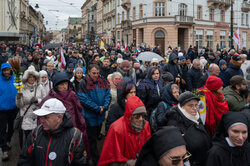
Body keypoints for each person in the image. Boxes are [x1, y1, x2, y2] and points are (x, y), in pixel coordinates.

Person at [18, 98, 87, 166]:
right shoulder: (36, 133)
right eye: (42, 117)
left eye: (46, 117)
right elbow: (24, 159)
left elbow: (80, 163)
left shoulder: (75, 136)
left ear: (59, 117)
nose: (42, 121)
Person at [40, 71, 89, 157]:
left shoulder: (72, 95)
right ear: (56, 85)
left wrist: (81, 126)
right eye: (61, 84)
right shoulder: (48, 99)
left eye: (66, 83)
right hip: (54, 131)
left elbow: (78, 112)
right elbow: (42, 119)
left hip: (71, 129)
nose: (64, 86)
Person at [160, 91, 211, 166]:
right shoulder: (174, 124)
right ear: (182, 107)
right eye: (190, 105)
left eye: (196, 105)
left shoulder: (195, 117)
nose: (195, 108)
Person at [98, 96, 151, 166]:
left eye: (143, 116)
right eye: (137, 116)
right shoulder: (116, 129)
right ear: (129, 116)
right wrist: (128, 163)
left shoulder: (146, 125)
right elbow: (110, 159)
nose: (141, 119)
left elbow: (148, 149)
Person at [78, 64, 111, 166]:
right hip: (89, 117)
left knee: (96, 137)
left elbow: (107, 95)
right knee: (91, 140)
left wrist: (104, 107)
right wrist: (97, 108)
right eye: (93, 73)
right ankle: (96, 161)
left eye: (97, 73)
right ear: (88, 72)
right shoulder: (83, 83)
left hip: (100, 116)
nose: (96, 75)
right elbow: (83, 99)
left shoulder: (103, 81)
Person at [16, 66, 45, 138]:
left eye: (33, 77)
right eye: (30, 77)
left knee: (38, 138)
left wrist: (38, 100)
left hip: (38, 117)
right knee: (28, 138)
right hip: (27, 118)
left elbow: (45, 101)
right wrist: (19, 98)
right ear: (26, 78)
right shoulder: (22, 88)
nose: (32, 78)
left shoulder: (40, 87)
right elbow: (19, 106)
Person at [0, 63, 18, 160]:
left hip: (13, 108)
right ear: (2, 71)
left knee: (12, 128)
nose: (6, 72)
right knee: (2, 129)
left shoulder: (15, 79)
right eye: (4, 70)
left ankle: (7, 141)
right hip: (2, 110)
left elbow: (21, 89)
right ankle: (4, 150)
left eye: (8, 70)